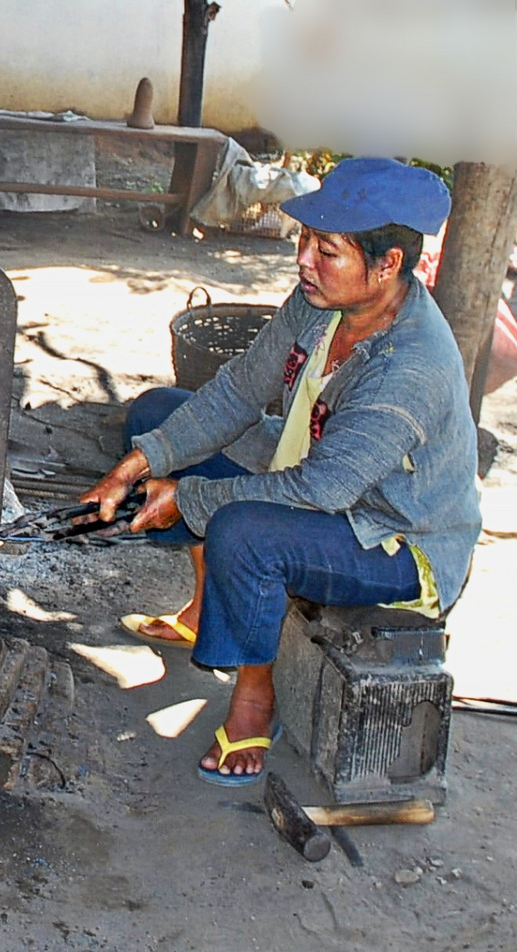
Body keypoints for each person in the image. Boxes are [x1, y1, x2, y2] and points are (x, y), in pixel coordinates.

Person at [82, 158, 482, 786]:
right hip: (308, 467)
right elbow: (241, 390)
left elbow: (322, 493)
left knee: (243, 529)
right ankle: (202, 606)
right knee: (159, 415)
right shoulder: (320, 301)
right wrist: (138, 463)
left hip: (395, 536)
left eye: (327, 250)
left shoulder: (412, 366)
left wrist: (192, 497)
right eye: (305, 241)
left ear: (388, 266)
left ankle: (252, 702)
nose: (304, 260)